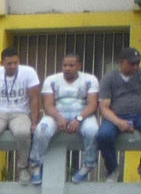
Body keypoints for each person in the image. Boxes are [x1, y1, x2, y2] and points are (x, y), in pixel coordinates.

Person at [96, 47, 141, 182]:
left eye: (137, 63)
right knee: (103, 135)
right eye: (132, 63)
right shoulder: (110, 77)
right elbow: (103, 107)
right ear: (122, 62)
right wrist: (118, 122)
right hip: (116, 116)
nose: (136, 66)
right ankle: (112, 170)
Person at [0, 48, 41, 184]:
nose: (12, 66)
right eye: (9, 64)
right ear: (2, 63)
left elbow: (35, 99)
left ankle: (23, 167)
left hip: (21, 113)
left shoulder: (28, 72)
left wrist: (34, 123)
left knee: (23, 133)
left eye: (15, 63)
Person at [39, 51, 99, 186]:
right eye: (64, 65)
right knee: (42, 130)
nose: (67, 68)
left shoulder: (90, 79)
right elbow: (48, 105)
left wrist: (78, 119)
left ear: (79, 66)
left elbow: (93, 104)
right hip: (57, 112)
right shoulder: (51, 79)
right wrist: (59, 118)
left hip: (83, 112)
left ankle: (88, 164)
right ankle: (37, 164)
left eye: (71, 65)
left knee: (92, 131)